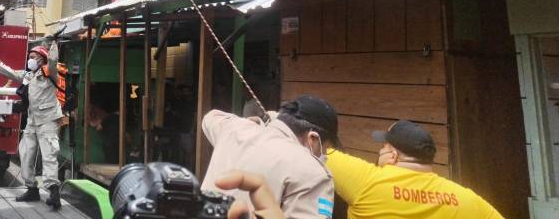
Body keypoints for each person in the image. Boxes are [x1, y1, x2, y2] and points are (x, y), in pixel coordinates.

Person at [326, 120, 504, 218]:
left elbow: (312, 147)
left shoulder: (366, 182)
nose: (380, 150)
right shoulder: (466, 198)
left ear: (393, 155)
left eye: (384, 146)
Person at [201, 96, 338, 218]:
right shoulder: (315, 173)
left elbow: (210, 117)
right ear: (313, 138)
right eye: (325, 149)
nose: (324, 155)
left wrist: (257, 121)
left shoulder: (233, 128)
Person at [0, 41, 63, 209]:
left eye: (33, 57)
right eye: (29, 57)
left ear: (42, 59)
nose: (30, 60)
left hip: (48, 120)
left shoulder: (50, 72)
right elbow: (8, 71)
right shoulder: (28, 75)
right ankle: (32, 189)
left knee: (49, 154)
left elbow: (54, 61)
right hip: (33, 120)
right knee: (25, 153)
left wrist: (53, 45)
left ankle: (54, 192)